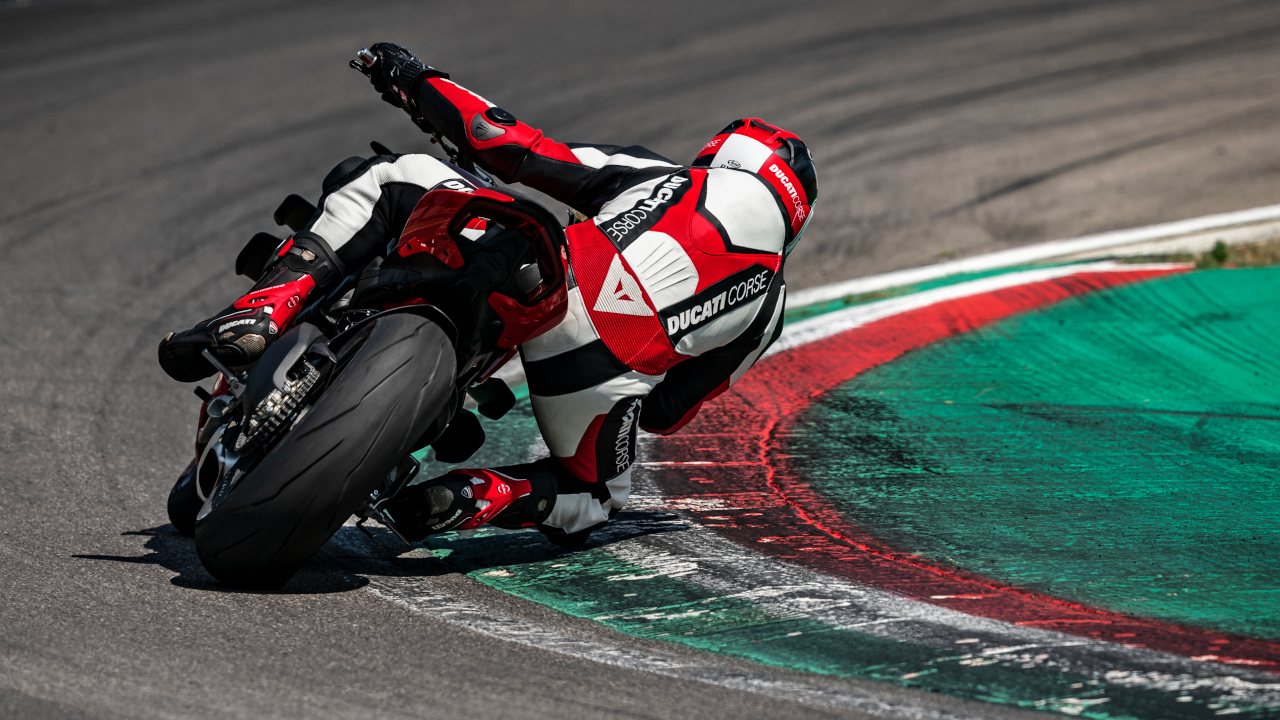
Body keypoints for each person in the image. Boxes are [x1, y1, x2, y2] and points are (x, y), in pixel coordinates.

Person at [158, 42, 817, 547]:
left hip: (553, 281)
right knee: (594, 497)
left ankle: (266, 306)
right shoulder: (769, 310)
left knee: (391, 174)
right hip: (600, 374)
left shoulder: (663, 175)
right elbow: (667, 413)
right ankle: (480, 496)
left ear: (723, 153)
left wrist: (413, 80)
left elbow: (509, 145)